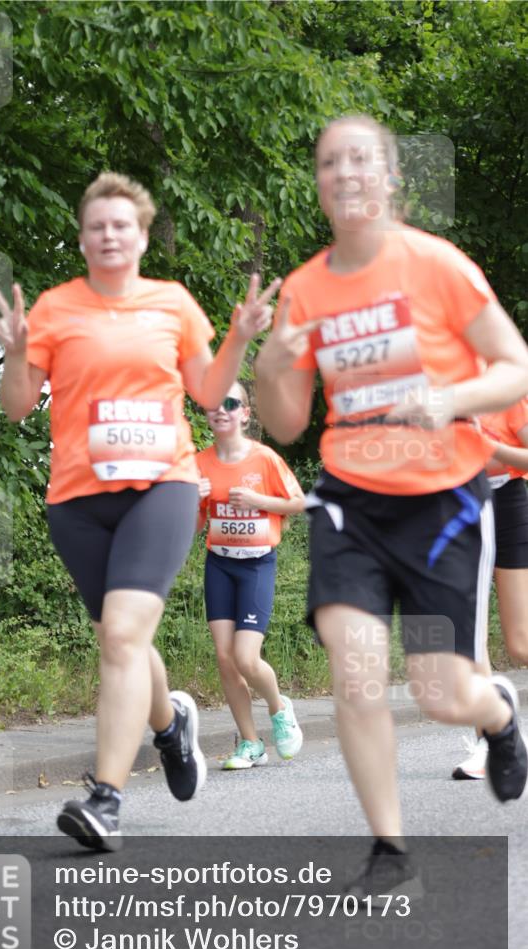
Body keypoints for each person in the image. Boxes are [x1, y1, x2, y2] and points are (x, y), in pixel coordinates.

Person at [254, 115, 528, 898]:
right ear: (318, 184)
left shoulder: (438, 266)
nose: (344, 173)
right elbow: (287, 424)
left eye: (359, 161)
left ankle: (497, 715)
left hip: (442, 502)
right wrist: (274, 364)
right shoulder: (305, 290)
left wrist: (448, 399)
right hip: (350, 504)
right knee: (356, 670)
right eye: (328, 163)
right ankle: (388, 845)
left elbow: (512, 366)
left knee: (441, 691)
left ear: (389, 178)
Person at [0, 171, 280, 851]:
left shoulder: (172, 304)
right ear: (83, 237)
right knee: (121, 638)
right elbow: (16, 405)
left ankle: (106, 800)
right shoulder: (56, 309)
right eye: (97, 226)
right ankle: (169, 726)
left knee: (121, 635)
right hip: (78, 501)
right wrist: (12, 352)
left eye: (122, 225)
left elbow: (208, 390)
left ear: (141, 236)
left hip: (162, 490)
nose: (109, 235)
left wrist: (238, 336)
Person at [196, 381, 306, 769]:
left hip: (257, 564)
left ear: (245, 412)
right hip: (220, 565)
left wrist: (259, 501)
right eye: (214, 403)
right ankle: (249, 742)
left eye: (231, 403)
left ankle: (279, 709)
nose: (221, 409)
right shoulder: (199, 463)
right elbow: (192, 527)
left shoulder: (264, 459)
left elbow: (299, 503)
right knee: (226, 660)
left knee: (245, 657)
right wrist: (192, 499)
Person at [452, 396, 528, 779]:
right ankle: (492, 742)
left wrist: (490, 446)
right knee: (470, 635)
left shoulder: (506, 393)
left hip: (508, 504)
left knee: (520, 643)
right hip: (457, 509)